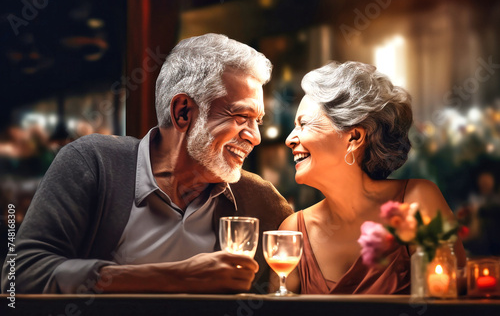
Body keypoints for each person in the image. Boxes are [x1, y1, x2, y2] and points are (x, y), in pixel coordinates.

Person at [1, 33, 293, 294]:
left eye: (258, 122)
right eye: (241, 117)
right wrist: (176, 278)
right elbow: (21, 276)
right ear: (183, 112)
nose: (254, 137)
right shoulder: (93, 163)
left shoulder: (259, 199)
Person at [278, 61, 466, 294]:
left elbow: (453, 300)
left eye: (303, 124)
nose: (289, 139)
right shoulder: (292, 230)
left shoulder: (416, 201)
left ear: (354, 137)